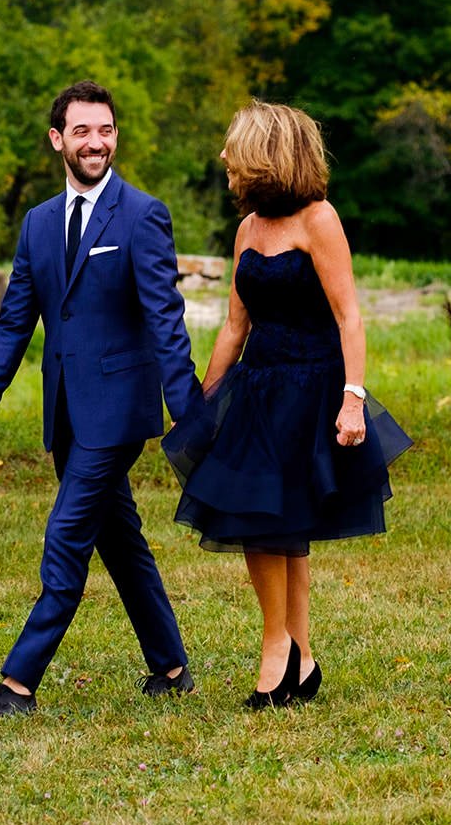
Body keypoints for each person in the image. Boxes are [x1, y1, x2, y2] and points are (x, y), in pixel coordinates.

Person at [0, 80, 201, 717]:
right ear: (58, 139)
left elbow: (166, 320)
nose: (96, 142)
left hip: (117, 414)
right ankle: (170, 667)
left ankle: (17, 684)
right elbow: (12, 325)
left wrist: (191, 414)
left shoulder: (143, 215)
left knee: (66, 538)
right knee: (120, 540)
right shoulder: (37, 224)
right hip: (64, 412)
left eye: (106, 130)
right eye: (82, 131)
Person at [162, 100, 410, 709]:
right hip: (258, 389)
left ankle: (278, 649)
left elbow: (350, 317)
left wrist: (353, 402)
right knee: (272, 524)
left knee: (267, 524)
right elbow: (233, 325)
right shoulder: (248, 227)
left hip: (314, 388)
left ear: (264, 152)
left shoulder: (318, 219)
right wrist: (205, 396)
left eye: (232, 146)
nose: (224, 156)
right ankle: (301, 655)